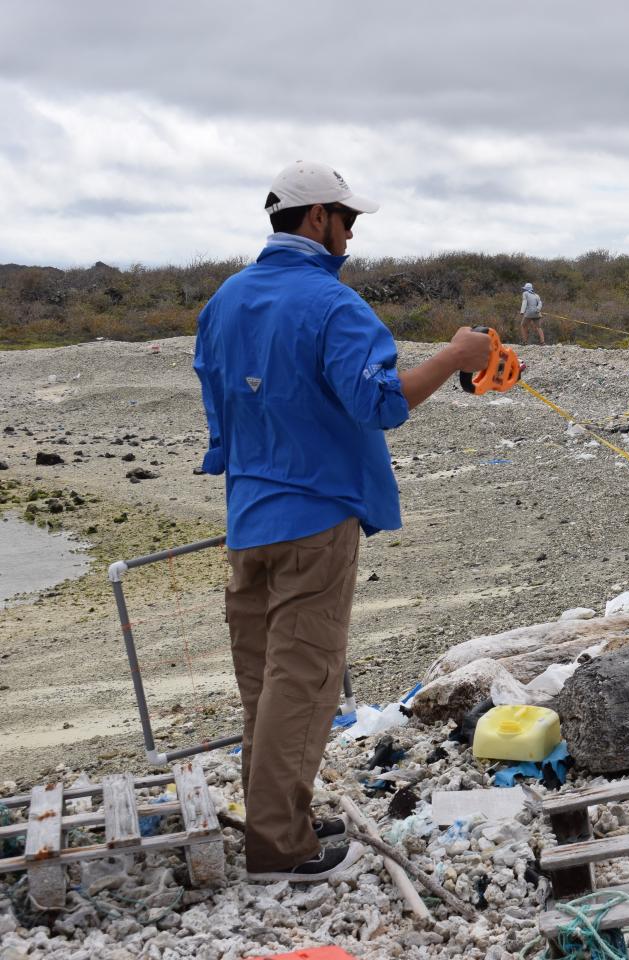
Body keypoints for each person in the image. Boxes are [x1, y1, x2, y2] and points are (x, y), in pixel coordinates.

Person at [193, 161, 493, 882]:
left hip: (249, 518)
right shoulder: (333, 305)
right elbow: (381, 404)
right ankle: (281, 850)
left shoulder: (226, 300)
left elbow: (216, 403)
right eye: (348, 218)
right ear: (318, 217)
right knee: (304, 681)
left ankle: (279, 822)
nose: (352, 233)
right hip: (316, 518)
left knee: (264, 681)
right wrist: (457, 355)